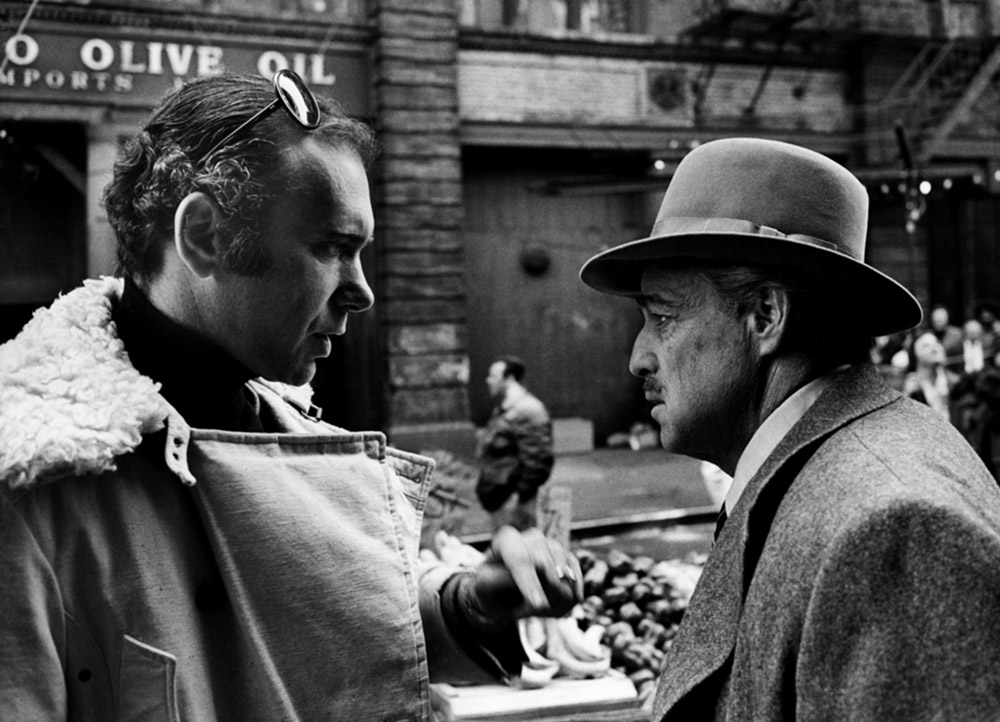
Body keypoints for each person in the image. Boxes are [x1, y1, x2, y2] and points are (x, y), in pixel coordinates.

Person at [0, 72, 582, 721]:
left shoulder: (274, 423)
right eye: (334, 249)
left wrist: (467, 605)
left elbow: (310, 630)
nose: (361, 290)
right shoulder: (24, 484)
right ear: (205, 238)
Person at [579, 137, 1000, 720]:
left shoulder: (892, 526)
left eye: (664, 317)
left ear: (765, 317)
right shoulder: (821, 472)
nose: (639, 358)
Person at [475, 356, 555, 531]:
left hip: (512, 504)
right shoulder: (506, 408)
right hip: (500, 501)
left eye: (493, 376)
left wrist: (518, 498)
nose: (488, 381)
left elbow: (538, 461)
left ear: (509, 378)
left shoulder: (528, 409)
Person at [902, 331, 957, 420]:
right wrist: (906, 396)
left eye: (937, 342)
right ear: (915, 356)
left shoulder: (955, 383)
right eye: (926, 346)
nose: (934, 348)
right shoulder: (911, 389)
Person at [927, 303, 964, 373]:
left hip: (954, 373)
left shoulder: (957, 335)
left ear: (947, 318)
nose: (939, 321)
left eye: (941, 318)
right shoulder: (927, 336)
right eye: (936, 318)